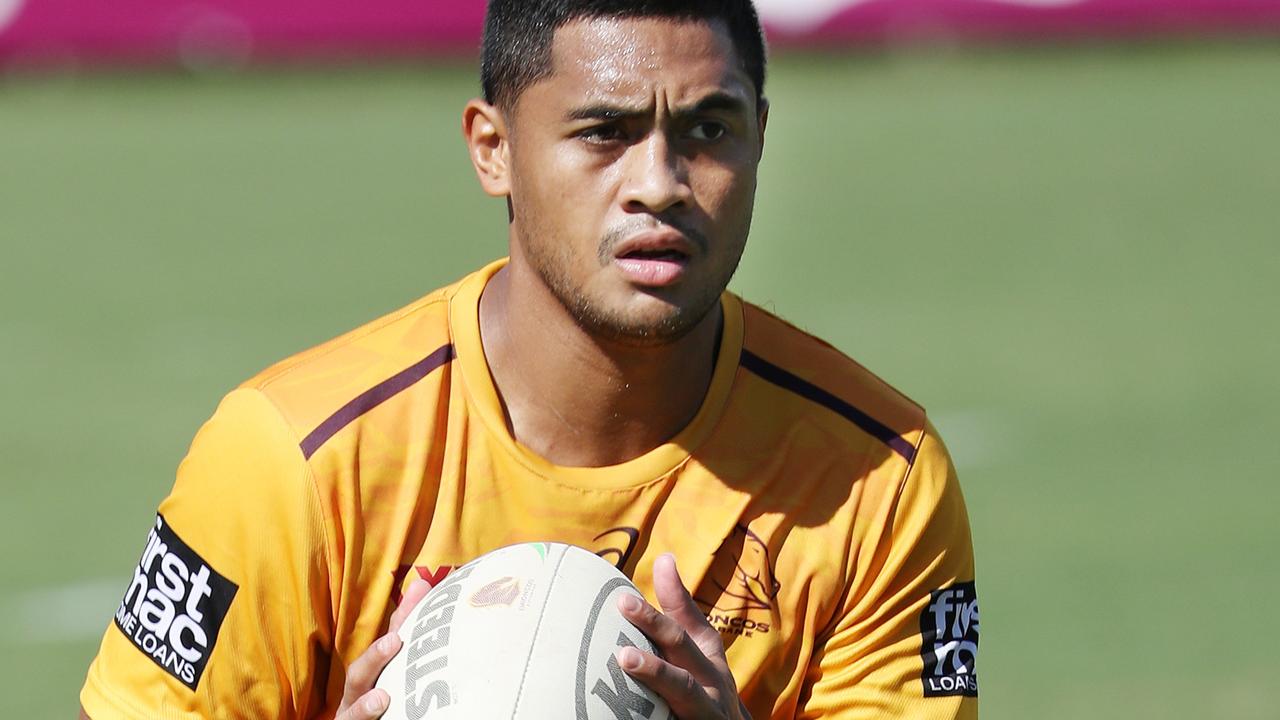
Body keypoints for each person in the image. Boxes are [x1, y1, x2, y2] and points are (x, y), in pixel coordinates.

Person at [79, 0, 979, 718]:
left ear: (760, 139)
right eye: (603, 133)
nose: (660, 183)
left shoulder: (879, 481)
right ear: (493, 149)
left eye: (709, 130)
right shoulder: (291, 461)